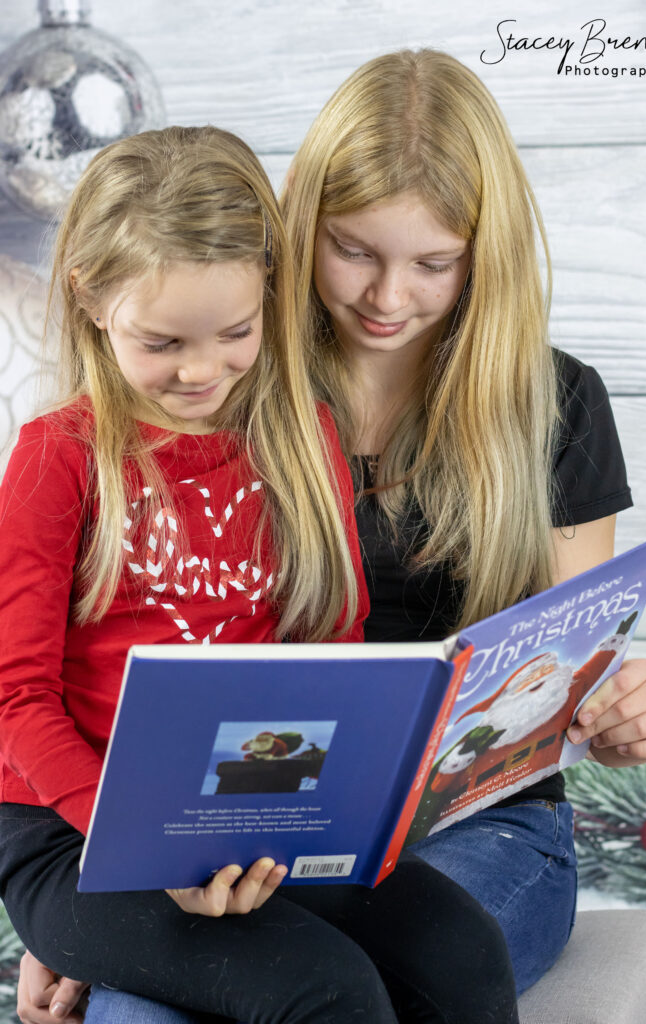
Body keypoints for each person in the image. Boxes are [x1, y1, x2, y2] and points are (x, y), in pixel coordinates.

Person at [18, 49, 646, 1023]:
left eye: (432, 264)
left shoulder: (552, 404)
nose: (386, 297)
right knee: (149, 1011)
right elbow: (75, 664)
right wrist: (92, 905)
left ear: (478, 255)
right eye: (354, 250)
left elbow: (559, 689)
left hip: (473, 827)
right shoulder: (220, 380)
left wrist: (610, 713)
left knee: (419, 977)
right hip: (239, 809)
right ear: (294, 233)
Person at [0, 124, 520, 1024]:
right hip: (71, 831)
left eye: (233, 332)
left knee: (461, 951)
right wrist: (156, 848)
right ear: (88, 296)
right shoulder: (59, 460)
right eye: (162, 342)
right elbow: (15, 702)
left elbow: (328, 655)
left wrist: (279, 832)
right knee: (324, 989)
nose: (202, 370)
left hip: (252, 813)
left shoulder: (299, 438)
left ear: (269, 296)